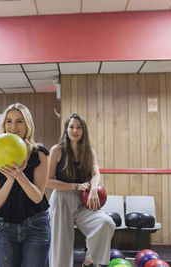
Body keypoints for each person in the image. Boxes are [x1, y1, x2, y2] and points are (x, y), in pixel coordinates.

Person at [0, 103, 51, 267]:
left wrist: (19, 175)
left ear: (27, 124)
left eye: (19, 121)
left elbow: (37, 197)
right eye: (9, 121)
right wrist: (10, 179)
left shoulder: (40, 153)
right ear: (4, 124)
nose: (13, 126)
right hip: (5, 225)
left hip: (36, 225)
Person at [47, 113, 115, 267]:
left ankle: (88, 262)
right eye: (71, 127)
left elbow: (96, 173)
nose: (75, 130)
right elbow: (48, 181)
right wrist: (75, 186)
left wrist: (92, 191)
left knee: (105, 223)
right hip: (61, 199)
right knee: (61, 247)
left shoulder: (89, 152)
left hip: (83, 200)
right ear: (66, 129)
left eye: (79, 127)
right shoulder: (57, 150)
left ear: (83, 130)